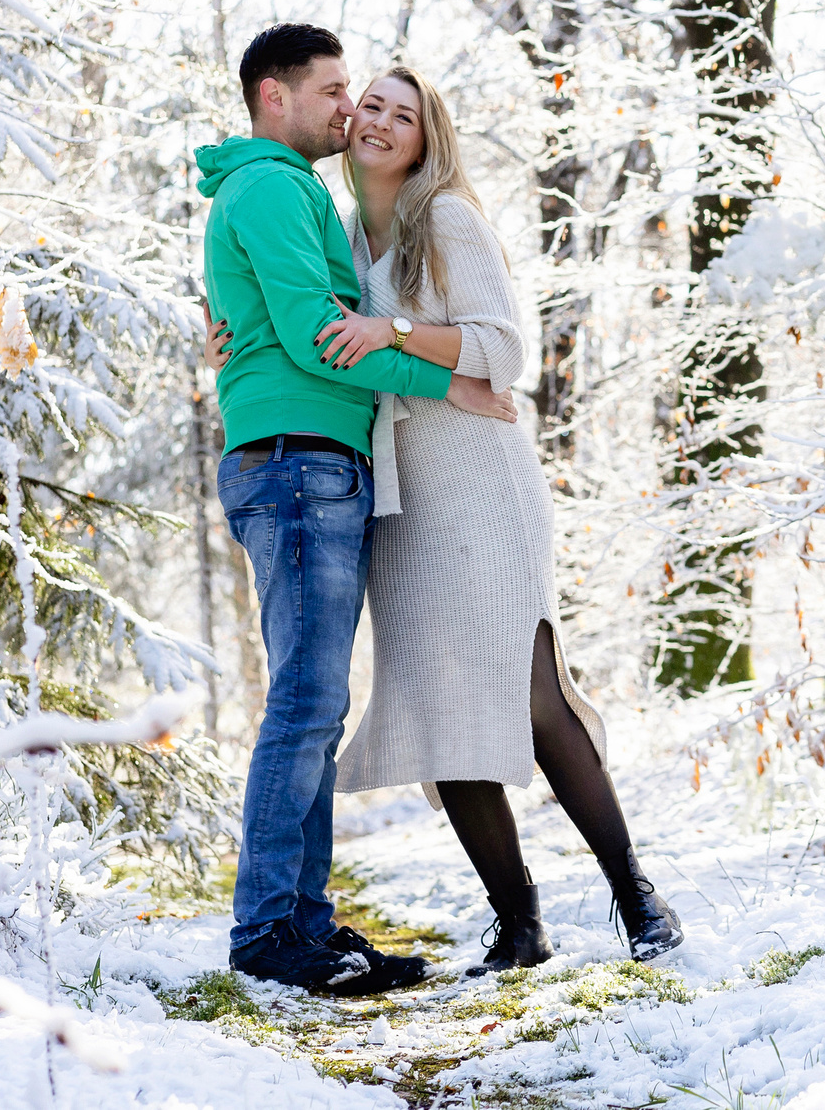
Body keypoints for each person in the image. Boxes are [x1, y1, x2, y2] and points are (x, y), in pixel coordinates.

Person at [208, 63, 684, 974]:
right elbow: (293, 314)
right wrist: (223, 324)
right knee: (438, 707)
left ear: (429, 137)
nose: (378, 122)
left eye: (404, 113)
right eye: (369, 106)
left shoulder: (448, 220)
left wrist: (392, 332)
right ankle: (519, 922)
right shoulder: (342, 233)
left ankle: (636, 896)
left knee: (532, 692)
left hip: (477, 480)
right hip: (396, 498)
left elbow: (503, 349)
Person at [198, 24, 518, 996]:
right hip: (297, 461)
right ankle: (267, 929)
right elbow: (315, 338)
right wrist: (445, 381)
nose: (348, 109)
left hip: (311, 459)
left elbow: (280, 323)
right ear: (275, 96)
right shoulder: (272, 186)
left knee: (317, 704)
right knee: (305, 702)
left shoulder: (291, 194)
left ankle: (304, 921)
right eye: (333, 90)